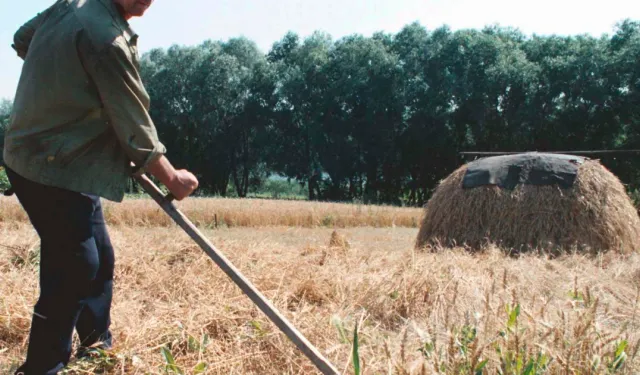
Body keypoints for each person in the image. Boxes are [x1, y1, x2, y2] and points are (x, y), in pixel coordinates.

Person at [3, 0, 199, 373]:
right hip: (47, 166)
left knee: (100, 258)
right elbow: (134, 126)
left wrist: (70, 86)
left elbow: (22, 39)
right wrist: (173, 178)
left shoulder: (74, 5)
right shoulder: (105, 39)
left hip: (66, 162)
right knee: (76, 265)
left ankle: (96, 348)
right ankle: (42, 366)